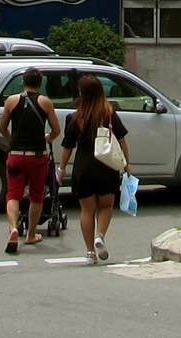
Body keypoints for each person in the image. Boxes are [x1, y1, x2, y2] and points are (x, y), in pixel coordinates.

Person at [59, 73, 129, 262]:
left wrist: (61, 169)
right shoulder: (109, 113)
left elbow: (68, 146)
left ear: (81, 92)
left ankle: (90, 252)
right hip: (106, 166)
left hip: (84, 168)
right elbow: (122, 141)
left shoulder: (75, 118)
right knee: (106, 205)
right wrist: (127, 165)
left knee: (87, 210)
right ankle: (100, 235)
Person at [0, 67, 61, 254]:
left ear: (23, 82)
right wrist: (47, 138)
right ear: (40, 84)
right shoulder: (46, 102)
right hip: (38, 156)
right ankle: (31, 234)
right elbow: (56, 130)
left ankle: (13, 228)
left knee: (13, 194)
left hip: (16, 154)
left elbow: (2, 128)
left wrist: (13, 141)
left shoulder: (11, 101)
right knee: (36, 196)